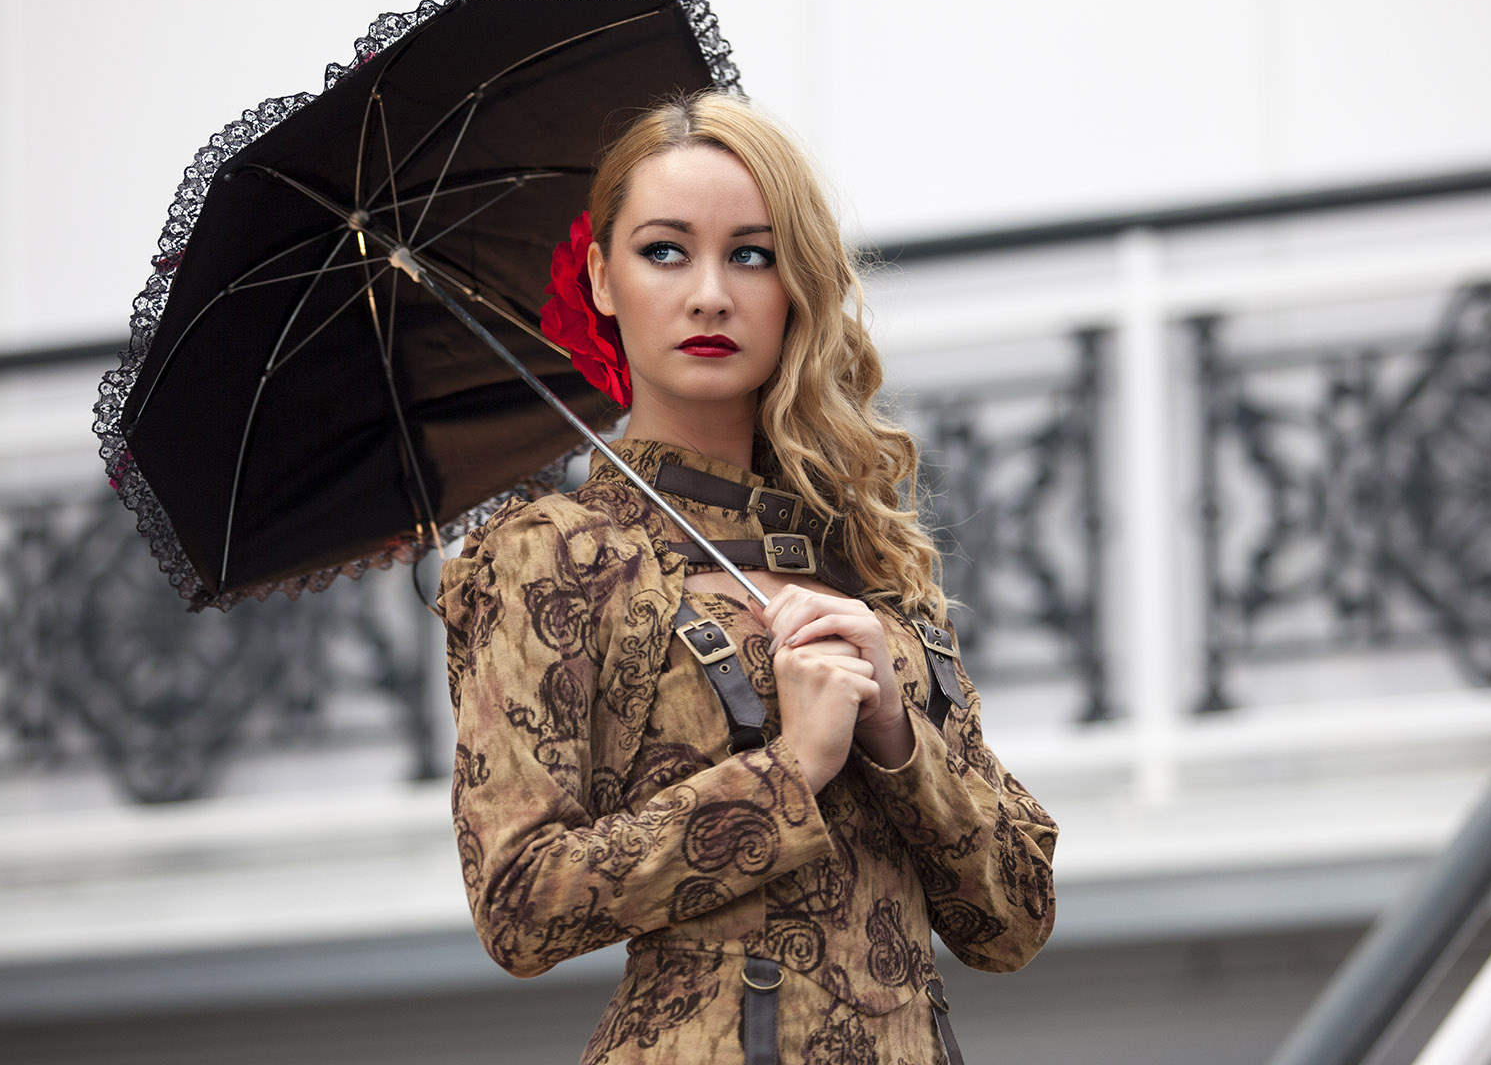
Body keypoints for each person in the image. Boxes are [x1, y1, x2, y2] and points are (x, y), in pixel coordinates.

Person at [439, 92, 1056, 1065]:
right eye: (666, 251)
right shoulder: (555, 556)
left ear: (795, 283)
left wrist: (896, 734)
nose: (711, 293)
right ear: (602, 277)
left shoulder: (873, 563)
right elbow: (519, 904)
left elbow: (1013, 921)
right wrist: (789, 771)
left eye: (752, 254)